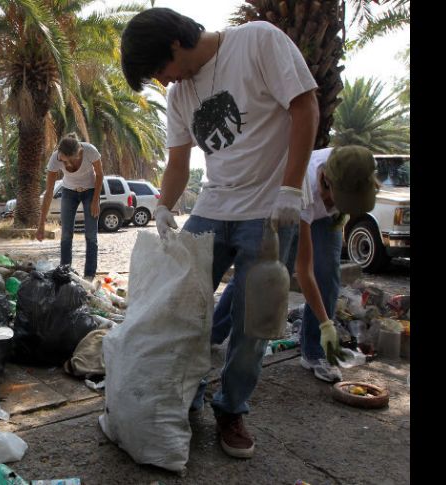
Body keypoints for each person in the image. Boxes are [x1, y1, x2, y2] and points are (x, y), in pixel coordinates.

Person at [121, 7, 319, 458]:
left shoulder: (257, 41)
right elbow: (177, 163)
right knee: (182, 309)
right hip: (213, 207)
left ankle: (231, 408)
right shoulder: (179, 95)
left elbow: (305, 104)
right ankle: (185, 394)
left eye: (159, 69)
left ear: (176, 43)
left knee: (255, 323)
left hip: (269, 211)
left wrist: (291, 188)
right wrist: (163, 207)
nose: (164, 81)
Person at [209, 146, 380, 383]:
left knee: (329, 273)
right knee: (263, 275)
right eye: (336, 199)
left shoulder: (359, 167)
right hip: (292, 208)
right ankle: (215, 331)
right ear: (326, 182)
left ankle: (314, 352)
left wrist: (341, 208)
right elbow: (305, 271)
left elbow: (320, 273)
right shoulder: (305, 188)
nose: (336, 204)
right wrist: (326, 324)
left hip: (326, 214)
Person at [36, 133, 105, 280]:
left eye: (67, 161)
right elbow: (49, 192)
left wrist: (95, 200)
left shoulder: (89, 151)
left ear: (77, 154)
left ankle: (89, 276)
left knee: (91, 235)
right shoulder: (55, 158)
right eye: (62, 159)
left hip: (90, 191)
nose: (64, 164)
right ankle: (65, 273)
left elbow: (99, 174)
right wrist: (41, 225)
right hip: (68, 192)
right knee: (66, 233)